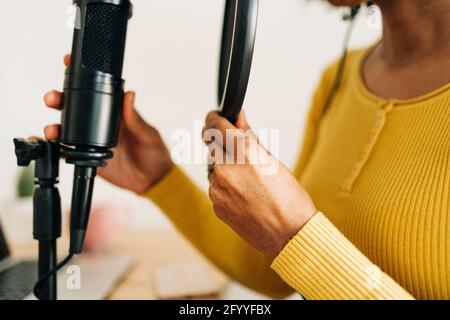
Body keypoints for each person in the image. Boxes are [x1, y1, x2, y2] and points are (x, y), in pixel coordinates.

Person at [42, 0, 449, 300]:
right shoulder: (338, 81)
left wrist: (295, 233)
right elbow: (275, 273)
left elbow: (294, 243)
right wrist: (158, 178)